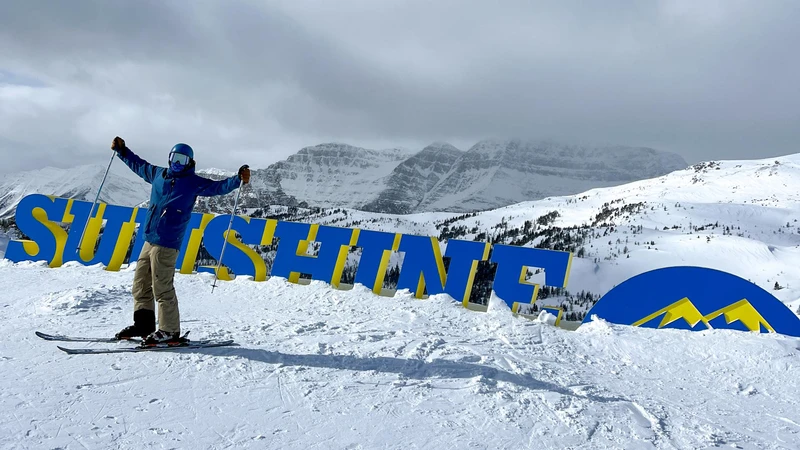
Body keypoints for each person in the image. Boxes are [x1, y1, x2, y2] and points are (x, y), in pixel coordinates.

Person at [110, 136, 250, 346]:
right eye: (175, 158)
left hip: (167, 242)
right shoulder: (158, 174)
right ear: (169, 158)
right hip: (149, 239)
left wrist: (237, 179)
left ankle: (169, 330)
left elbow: (217, 188)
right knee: (140, 285)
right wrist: (122, 151)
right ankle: (144, 325)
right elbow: (139, 165)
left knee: (162, 287)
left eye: (182, 160)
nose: (177, 163)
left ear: (190, 163)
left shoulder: (193, 183)